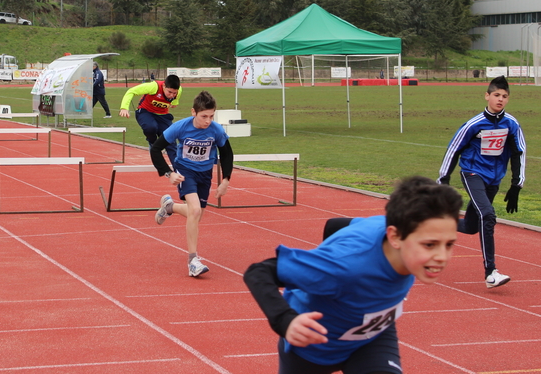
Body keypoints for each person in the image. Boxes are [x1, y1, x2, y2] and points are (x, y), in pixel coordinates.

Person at [244, 176, 462, 374]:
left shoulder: (388, 226)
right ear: (394, 237)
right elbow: (258, 272)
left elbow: (336, 225)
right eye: (429, 245)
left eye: (449, 244)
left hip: (371, 339)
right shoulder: (344, 267)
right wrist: (286, 321)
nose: (442, 256)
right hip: (312, 345)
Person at [438, 75, 525, 288]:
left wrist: (516, 185)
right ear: (487, 96)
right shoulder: (474, 124)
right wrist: (443, 180)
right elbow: (454, 149)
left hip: (494, 179)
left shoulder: (511, 124)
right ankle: (491, 272)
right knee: (488, 215)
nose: (500, 99)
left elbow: (519, 153)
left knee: (470, 226)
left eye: (504, 96)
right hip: (472, 173)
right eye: (496, 95)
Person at [151, 90, 233, 277]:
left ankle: (170, 207)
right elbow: (155, 149)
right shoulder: (179, 127)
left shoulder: (216, 130)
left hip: (205, 173)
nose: (208, 121)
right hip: (185, 171)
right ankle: (193, 261)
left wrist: (226, 179)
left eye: (212, 116)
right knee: (195, 211)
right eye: (204, 116)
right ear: (193, 112)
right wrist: (168, 173)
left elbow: (227, 153)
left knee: (196, 215)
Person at [119, 74, 183, 165]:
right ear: (164, 86)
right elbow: (131, 91)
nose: (171, 95)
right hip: (145, 112)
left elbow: (175, 102)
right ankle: (153, 143)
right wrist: (124, 107)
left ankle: (179, 169)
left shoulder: (179, 91)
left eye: (174, 93)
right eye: (169, 92)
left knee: (170, 139)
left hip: (162, 115)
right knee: (151, 127)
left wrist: (175, 103)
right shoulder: (153, 86)